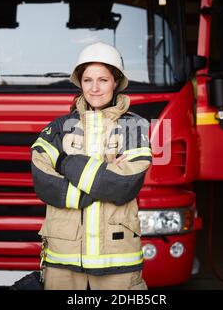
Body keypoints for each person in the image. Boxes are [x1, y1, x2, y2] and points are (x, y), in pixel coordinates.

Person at [30, 42, 152, 290]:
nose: (94, 88)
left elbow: (122, 185)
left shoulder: (134, 127)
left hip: (117, 256)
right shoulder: (58, 126)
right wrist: (101, 177)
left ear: (115, 82)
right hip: (63, 255)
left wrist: (64, 162)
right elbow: (43, 181)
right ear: (80, 83)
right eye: (88, 80)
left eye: (103, 80)